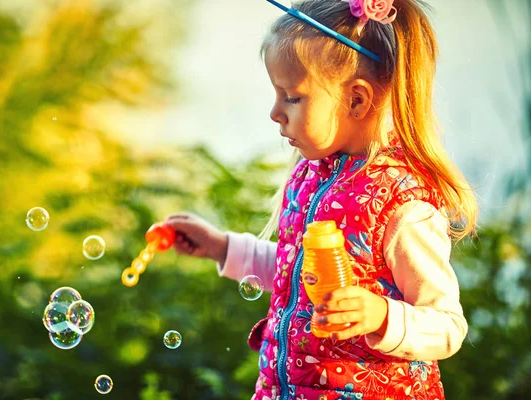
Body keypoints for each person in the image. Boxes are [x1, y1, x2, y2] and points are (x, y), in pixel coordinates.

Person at [166, 0, 478, 398]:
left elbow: (448, 326)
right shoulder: (311, 175)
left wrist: (382, 315)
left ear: (356, 100)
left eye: (292, 98)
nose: (275, 113)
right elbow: (294, 274)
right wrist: (221, 247)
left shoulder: (403, 204)